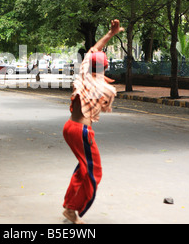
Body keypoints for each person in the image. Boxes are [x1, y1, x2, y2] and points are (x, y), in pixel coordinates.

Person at [62, 19, 124, 224]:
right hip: (81, 131)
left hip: (70, 127)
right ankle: (72, 210)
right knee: (94, 170)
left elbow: (93, 50)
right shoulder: (105, 88)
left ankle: (68, 205)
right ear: (105, 67)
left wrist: (110, 34)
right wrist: (112, 34)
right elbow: (105, 99)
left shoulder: (82, 75)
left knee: (83, 167)